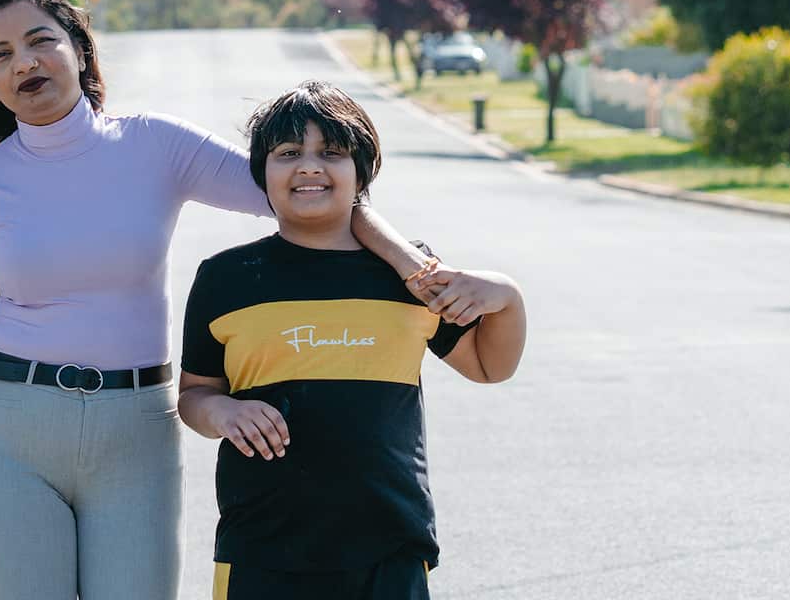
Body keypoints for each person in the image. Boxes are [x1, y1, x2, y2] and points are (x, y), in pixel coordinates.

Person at [0, 0, 446, 600]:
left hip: (137, 431)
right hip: (14, 433)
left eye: (40, 41)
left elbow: (306, 193)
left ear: (79, 49)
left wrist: (412, 265)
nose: (25, 63)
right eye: (1, 55)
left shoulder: (155, 144)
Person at [177, 80, 527, 600]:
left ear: (362, 171)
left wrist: (507, 297)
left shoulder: (409, 274)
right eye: (288, 153)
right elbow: (194, 395)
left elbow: (488, 366)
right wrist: (221, 413)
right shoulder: (226, 278)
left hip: (390, 545)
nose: (310, 166)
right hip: (262, 548)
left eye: (332, 153)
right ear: (262, 172)